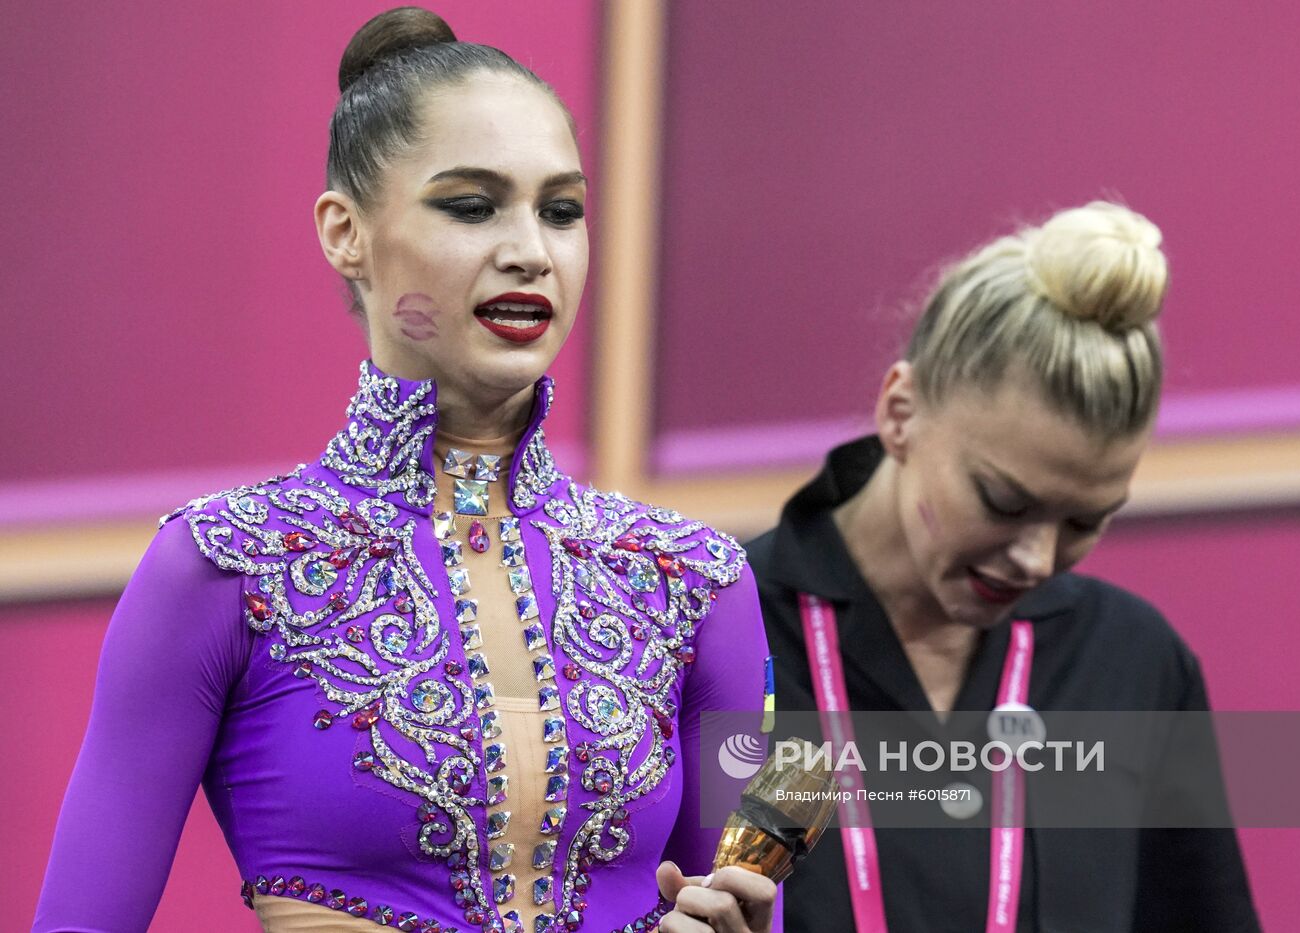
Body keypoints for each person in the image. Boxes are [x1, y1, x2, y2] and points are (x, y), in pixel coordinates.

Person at [34, 9, 776, 933]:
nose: (530, 252)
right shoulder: (223, 567)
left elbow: (748, 904)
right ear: (346, 232)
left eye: (562, 210)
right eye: (471, 206)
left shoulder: (694, 579)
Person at [748, 202, 1261, 931]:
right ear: (900, 411)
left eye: (1087, 520)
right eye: (1003, 500)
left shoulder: (1133, 663)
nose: (1038, 558)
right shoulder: (721, 631)